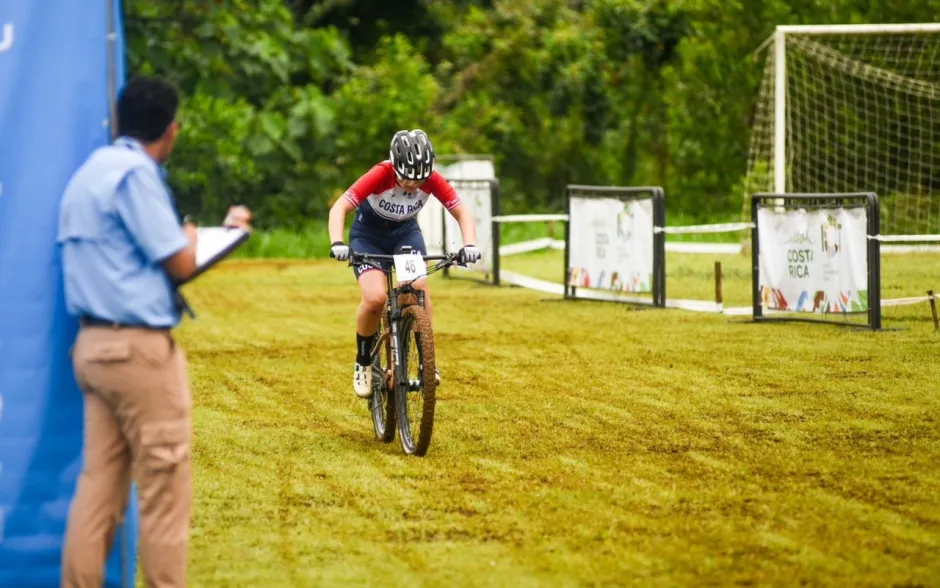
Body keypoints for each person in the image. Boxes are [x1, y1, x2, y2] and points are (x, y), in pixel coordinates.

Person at [56, 75, 252, 588]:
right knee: (164, 495)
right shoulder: (135, 174)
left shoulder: (87, 174)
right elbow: (181, 261)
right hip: (137, 352)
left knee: (98, 488)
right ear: (171, 131)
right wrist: (195, 235)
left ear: (119, 120)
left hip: (92, 348)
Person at [328, 129, 481, 399]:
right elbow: (340, 206)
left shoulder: (431, 178)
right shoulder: (379, 173)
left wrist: (469, 244)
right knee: (375, 298)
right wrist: (337, 243)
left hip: (404, 235)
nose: (412, 186)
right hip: (368, 238)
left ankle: (427, 362)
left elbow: (461, 211)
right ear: (394, 166)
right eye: (405, 179)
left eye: (418, 181)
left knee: (417, 287)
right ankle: (363, 362)